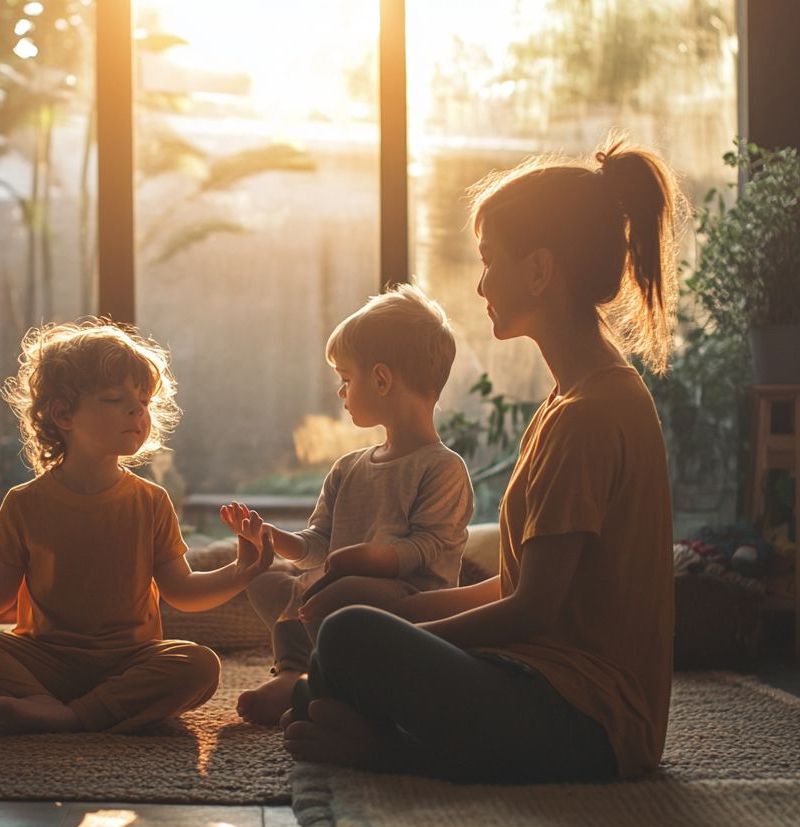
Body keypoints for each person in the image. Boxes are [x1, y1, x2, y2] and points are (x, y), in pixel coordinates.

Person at [282, 136, 682, 783]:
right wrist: (401, 619)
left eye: (490, 260)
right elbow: (520, 585)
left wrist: (388, 639)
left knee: (347, 641)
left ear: (540, 270)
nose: (481, 283)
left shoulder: (589, 414)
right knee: (346, 643)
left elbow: (531, 612)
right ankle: (374, 725)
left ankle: (393, 752)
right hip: (542, 684)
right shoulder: (572, 396)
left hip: (587, 722)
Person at [0, 320, 275, 735]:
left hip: (129, 661)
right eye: (114, 398)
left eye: (144, 401)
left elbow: (182, 591)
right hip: (43, 660)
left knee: (198, 665)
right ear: (62, 414)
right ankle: (55, 704)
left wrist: (240, 572)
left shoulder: (151, 502)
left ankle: (66, 717)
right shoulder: (25, 504)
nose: (136, 411)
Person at [227, 283, 474, 726]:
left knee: (339, 593)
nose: (341, 392)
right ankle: (294, 670)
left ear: (381, 379)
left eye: (346, 379)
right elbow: (319, 545)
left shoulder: (443, 468)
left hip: (407, 601)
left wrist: (365, 560)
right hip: (335, 592)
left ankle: (318, 681)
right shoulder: (348, 468)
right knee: (268, 583)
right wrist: (272, 539)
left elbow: (428, 548)